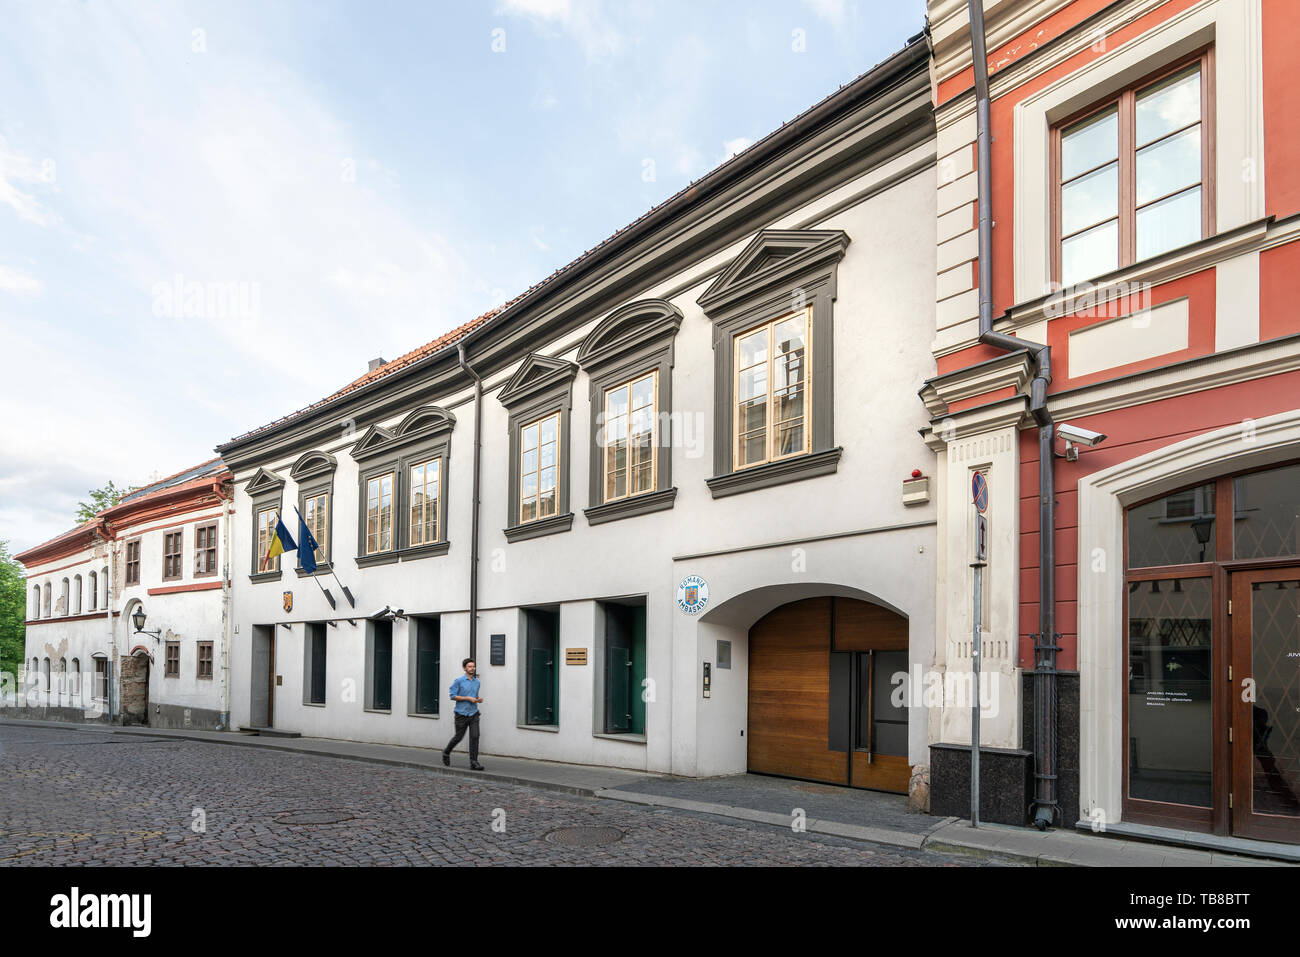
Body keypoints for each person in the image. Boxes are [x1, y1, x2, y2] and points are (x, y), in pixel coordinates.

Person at [442, 658, 484, 770]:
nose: (472, 668)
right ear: (465, 668)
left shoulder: (477, 682)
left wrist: (478, 699)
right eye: (470, 666)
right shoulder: (458, 681)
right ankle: (446, 752)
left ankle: (474, 762)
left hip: (474, 713)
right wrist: (467, 698)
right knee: (458, 737)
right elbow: (452, 696)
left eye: (473, 666)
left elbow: (474, 696)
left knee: (475, 736)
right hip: (461, 714)